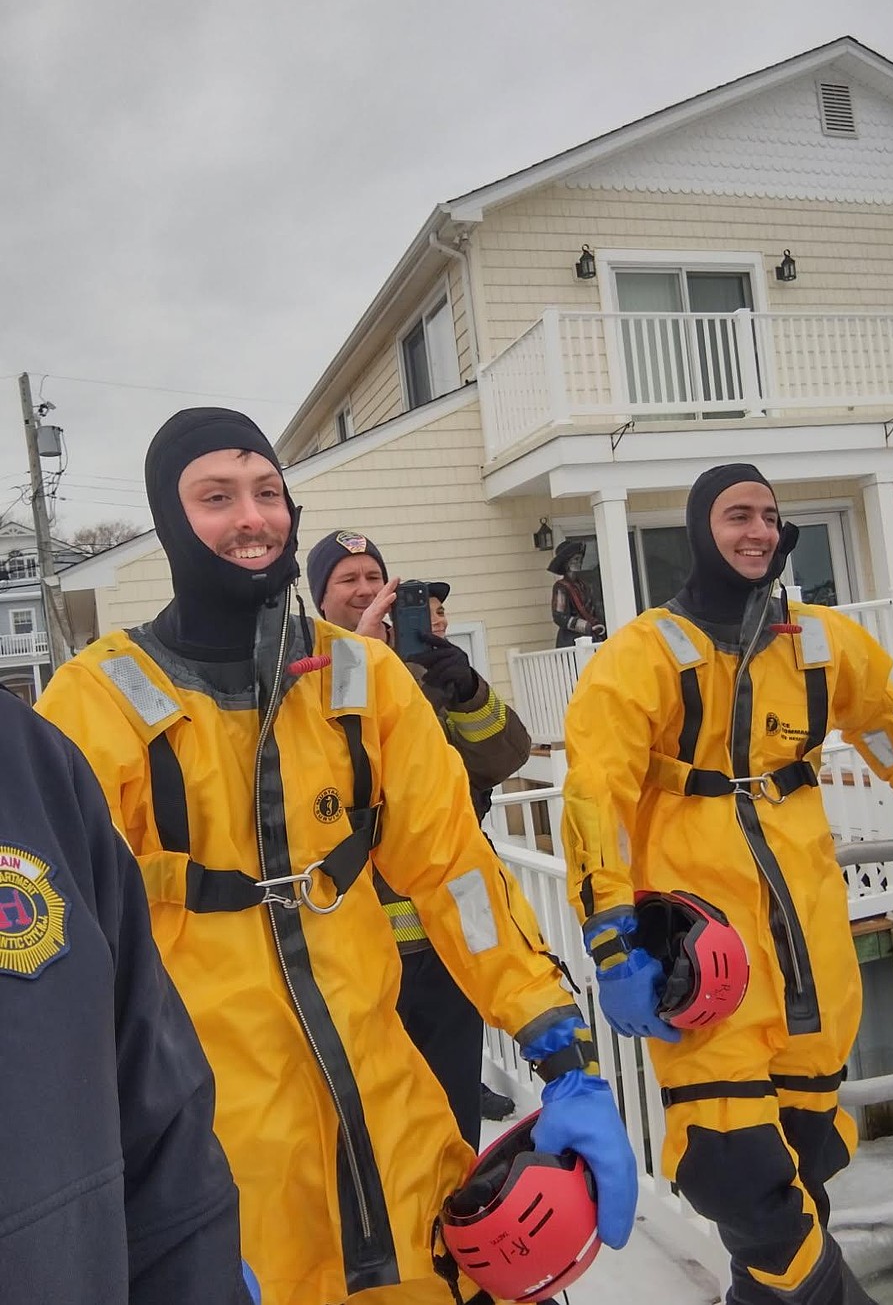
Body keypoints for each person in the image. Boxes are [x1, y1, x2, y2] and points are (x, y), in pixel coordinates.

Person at [38, 407, 637, 1305]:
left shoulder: (364, 677)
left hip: (399, 1135)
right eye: (216, 497)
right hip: (225, 1168)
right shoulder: (96, 702)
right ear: (170, 519)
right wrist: (120, 1205)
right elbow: (62, 968)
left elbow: (455, 873)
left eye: (267, 491)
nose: (253, 517)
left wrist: (560, 1045)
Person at [561, 461, 893, 1305]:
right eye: (737, 514)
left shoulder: (821, 643)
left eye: (769, 516)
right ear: (700, 531)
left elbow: (890, 729)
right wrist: (610, 935)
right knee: (733, 1170)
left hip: (813, 951)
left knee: (803, 1167)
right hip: (707, 955)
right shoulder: (645, 653)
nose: (758, 531)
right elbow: (596, 795)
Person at [0, 683, 253, 1304]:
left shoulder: (29, 759)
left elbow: (166, 1152)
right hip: (238, 1080)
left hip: (310, 1086)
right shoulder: (93, 695)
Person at [306, 533, 531, 1144]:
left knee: (454, 1114)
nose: (364, 589)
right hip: (359, 944)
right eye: (347, 579)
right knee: (378, 1124)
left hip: (450, 931)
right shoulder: (306, 673)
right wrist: (360, 659)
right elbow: (330, 776)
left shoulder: (429, 669)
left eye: (372, 577)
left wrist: (467, 690)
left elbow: (505, 758)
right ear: (320, 598)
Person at [547, 539, 605, 647]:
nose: (579, 562)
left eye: (580, 559)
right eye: (576, 559)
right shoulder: (561, 587)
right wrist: (585, 626)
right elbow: (559, 616)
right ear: (567, 563)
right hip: (570, 640)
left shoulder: (584, 585)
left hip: (591, 637)